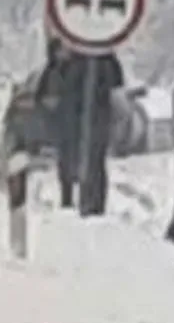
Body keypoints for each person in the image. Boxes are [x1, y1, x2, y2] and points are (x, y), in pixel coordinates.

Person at [57, 48, 125, 217]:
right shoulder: (68, 59)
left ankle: (94, 205)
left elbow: (117, 90)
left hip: (94, 121)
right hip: (72, 121)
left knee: (94, 161)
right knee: (71, 159)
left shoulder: (106, 60)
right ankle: (71, 200)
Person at [34, 39, 76, 208]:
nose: (62, 54)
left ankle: (76, 195)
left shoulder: (75, 69)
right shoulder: (50, 72)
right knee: (65, 162)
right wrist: (48, 106)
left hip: (76, 122)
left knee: (76, 161)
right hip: (60, 124)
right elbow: (40, 97)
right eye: (59, 50)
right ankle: (67, 198)